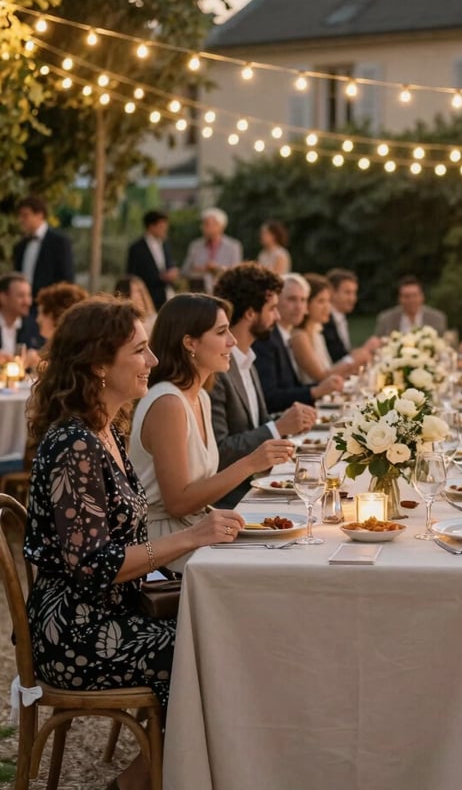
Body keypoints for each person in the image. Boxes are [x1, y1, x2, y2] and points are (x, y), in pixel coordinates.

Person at [23, 297, 243, 790]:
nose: (154, 361)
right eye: (140, 351)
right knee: (211, 653)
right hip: (78, 632)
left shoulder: (107, 430)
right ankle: (140, 784)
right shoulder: (74, 445)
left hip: (117, 610)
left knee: (226, 633)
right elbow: (94, 565)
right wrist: (192, 536)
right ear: (99, 364)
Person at [129, 294, 296, 571]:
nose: (232, 340)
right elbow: (178, 503)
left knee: (284, 549)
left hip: (196, 528)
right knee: (267, 570)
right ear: (190, 342)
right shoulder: (168, 403)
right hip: (164, 544)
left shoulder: (201, 398)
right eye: (221, 332)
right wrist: (251, 463)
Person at [211, 263, 317, 506]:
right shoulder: (218, 371)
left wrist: (290, 420)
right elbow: (220, 450)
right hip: (231, 500)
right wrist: (278, 427)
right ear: (250, 313)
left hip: (258, 486)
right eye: (272, 309)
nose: (277, 317)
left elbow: (254, 424)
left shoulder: (247, 359)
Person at [254, 273, 344, 413]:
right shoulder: (268, 340)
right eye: (292, 299)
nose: (299, 307)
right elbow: (270, 397)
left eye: (303, 300)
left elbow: (294, 387)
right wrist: (315, 391)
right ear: (276, 302)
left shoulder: (284, 336)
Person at [291, 273, 369, 384]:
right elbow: (322, 377)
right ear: (306, 304)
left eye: (329, 301)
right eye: (321, 301)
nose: (327, 307)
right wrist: (352, 360)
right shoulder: (299, 336)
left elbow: (329, 369)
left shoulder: (317, 332)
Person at [13, 196, 75, 300]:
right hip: (23, 304)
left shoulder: (59, 242)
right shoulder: (20, 245)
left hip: (48, 305)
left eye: (25, 215)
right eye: (20, 216)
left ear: (40, 215)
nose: (21, 220)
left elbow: (66, 279)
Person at [323, 268, 380, 364]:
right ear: (332, 292)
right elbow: (337, 358)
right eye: (347, 293)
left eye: (354, 293)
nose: (353, 298)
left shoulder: (340, 318)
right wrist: (365, 349)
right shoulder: (325, 321)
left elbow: (345, 352)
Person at [126, 209, 179, 311]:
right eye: (161, 227)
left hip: (166, 295)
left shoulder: (165, 244)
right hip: (148, 297)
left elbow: (169, 264)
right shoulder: (137, 248)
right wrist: (160, 278)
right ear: (151, 226)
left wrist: (172, 272)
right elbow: (132, 275)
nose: (164, 230)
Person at [181, 207, 243, 293]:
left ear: (221, 226)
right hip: (200, 294)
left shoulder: (233, 246)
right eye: (203, 224)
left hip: (225, 293)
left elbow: (237, 274)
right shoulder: (195, 246)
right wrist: (202, 269)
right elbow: (184, 271)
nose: (204, 228)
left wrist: (217, 269)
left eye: (208, 224)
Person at [374, 275, 447, 337]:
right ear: (399, 299)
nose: (411, 300)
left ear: (422, 297)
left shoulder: (437, 318)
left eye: (415, 296)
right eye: (406, 296)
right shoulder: (386, 319)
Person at [0, 272, 39, 362]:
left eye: (29, 296)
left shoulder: (34, 328)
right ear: (3, 297)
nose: (27, 302)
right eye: (21, 296)